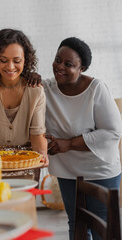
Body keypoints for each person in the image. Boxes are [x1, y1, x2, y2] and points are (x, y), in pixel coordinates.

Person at [29, 37, 122, 240]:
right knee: (76, 225)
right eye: (57, 60)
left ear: (82, 68)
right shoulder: (45, 89)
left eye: (68, 64)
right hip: (68, 171)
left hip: (100, 170)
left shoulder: (96, 89)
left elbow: (113, 132)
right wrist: (29, 78)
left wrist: (68, 144)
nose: (59, 67)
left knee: (103, 230)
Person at [0, 28, 49, 166]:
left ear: (25, 60)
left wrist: (42, 155)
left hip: (27, 160)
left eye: (17, 60)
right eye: (4, 60)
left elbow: (37, 134)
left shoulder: (36, 92)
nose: (10, 67)